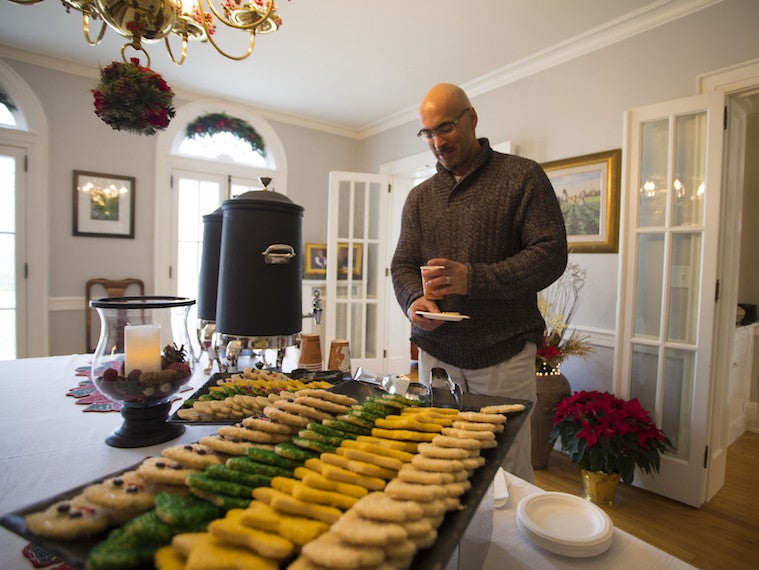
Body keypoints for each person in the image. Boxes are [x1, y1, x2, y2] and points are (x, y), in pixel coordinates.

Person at [391, 83, 568, 482]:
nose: (437, 141)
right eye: (428, 133)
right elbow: (401, 265)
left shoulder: (522, 177)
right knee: (443, 462)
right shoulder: (419, 198)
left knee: (506, 470)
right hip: (436, 355)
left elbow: (551, 255)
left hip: (503, 355)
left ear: (472, 119)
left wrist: (475, 278)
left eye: (446, 127)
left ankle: (508, 547)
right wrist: (413, 301)